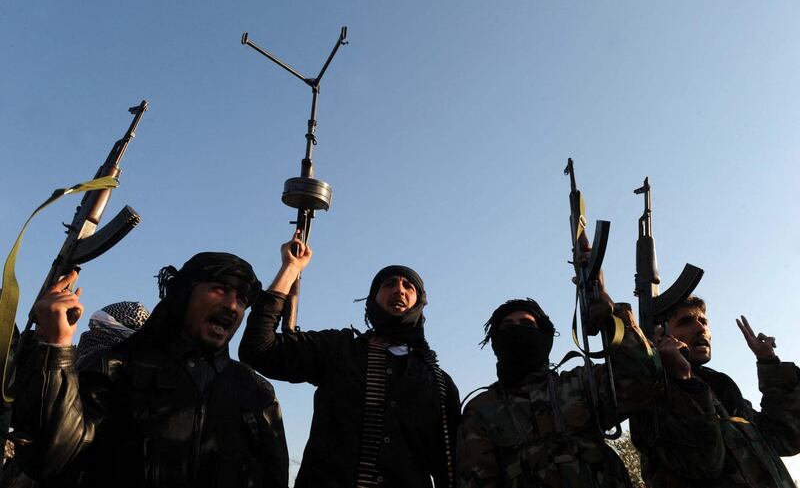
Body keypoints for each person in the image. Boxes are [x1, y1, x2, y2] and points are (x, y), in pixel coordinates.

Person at [9, 253, 289, 488]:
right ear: (184, 296)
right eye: (220, 289)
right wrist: (56, 347)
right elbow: (52, 458)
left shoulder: (254, 392)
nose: (231, 305)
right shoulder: (118, 367)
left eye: (241, 299)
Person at [239, 232, 460, 488]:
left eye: (408, 286)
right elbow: (259, 349)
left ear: (419, 302)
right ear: (372, 299)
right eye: (388, 284)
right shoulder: (339, 349)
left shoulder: (439, 382)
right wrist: (290, 269)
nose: (398, 289)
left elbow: (450, 468)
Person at [457, 289, 662, 487]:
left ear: (544, 337)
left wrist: (613, 317)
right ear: (496, 341)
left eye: (527, 325)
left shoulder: (580, 383)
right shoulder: (481, 410)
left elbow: (642, 379)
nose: (517, 330)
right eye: (508, 326)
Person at [630, 295, 800, 488]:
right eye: (686, 322)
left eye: (703, 321)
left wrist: (768, 362)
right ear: (661, 336)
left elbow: (785, 437)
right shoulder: (654, 392)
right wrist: (683, 380)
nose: (701, 329)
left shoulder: (721, 390)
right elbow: (704, 462)